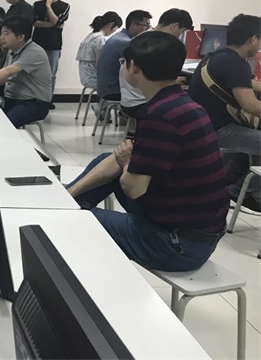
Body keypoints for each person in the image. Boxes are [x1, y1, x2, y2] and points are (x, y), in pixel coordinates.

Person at [66, 32, 229, 272]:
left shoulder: (160, 115)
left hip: (174, 245)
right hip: (196, 232)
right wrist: (71, 192)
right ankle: (65, 198)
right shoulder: (184, 104)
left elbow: (134, 188)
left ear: (133, 67)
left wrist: (126, 162)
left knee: (73, 219)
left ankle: (64, 211)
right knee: (107, 160)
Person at [188, 14, 261, 212]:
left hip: (202, 124)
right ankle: (243, 192)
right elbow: (250, 106)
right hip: (219, 130)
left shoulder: (217, 56)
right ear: (253, 39)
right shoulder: (236, 64)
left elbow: (244, 83)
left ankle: (229, 182)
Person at [119, 9, 194, 119]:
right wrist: (171, 81)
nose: (180, 37)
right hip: (139, 101)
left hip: (130, 99)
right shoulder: (153, 45)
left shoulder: (145, 39)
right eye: (182, 32)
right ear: (174, 26)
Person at [0, 16, 52, 127]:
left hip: (33, 103)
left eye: (6, 34)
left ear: (21, 37)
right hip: (12, 99)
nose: (1, 37)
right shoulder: (12, 51)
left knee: (3, 125)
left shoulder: (33, 52)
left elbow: (8, 71)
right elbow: (3, 78)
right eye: (1, 33)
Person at [96, 10, 153, 103]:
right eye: (146, 25)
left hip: (105, 88)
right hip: (113, 91)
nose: (148, 29)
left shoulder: (119, 37)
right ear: (133, 25)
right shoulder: (125, 43)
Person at [31, 0, 70, 105]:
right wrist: (52, 24)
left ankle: (48, 99)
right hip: (37, 44)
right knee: (35, 72)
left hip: (54, 45)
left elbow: (56, 21)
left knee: (51, 74)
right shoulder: (37, 5)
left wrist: (48, 6)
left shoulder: (64, 6)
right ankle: (35, 97)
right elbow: (34, 22)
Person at [76, 11, 122, 90]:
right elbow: (100, 63)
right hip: (95, 78)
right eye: (116, 28)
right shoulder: (100, 39)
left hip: (86, 78)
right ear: (111, 25)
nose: (114, 32)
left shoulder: (90, 36)